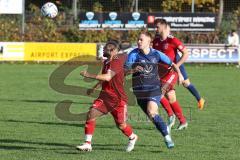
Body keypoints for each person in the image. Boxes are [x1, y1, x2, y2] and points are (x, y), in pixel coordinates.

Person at [125, 30, 184, 148]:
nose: (139, 41)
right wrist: (133, 70)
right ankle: (165, 129)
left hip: (153, 88)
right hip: (139, 91)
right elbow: (124, 71)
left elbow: (172, 64)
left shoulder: (156, 54)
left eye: (141, 40)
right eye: (138, 39)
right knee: (153, 117)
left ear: (149, 41)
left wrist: (180, 74)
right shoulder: (133, 54)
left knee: (152, 112)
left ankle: (167, 138)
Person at [76, 41, 138, 152]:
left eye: (106, 49)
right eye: (104, 48)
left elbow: (108, 77)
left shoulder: (116, 61)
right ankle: (87, 144)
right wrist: (95, 87)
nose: (104, 50)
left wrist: (88, 75)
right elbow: (108, 76)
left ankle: (133, 137)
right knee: (91, 113)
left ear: (114, 51)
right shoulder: (106, 62)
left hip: (118, 99)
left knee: (121, 125)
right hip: (105, 97)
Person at [153, 19, 205, 116]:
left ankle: (199, 99)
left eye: (157, 27)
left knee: (186, 83)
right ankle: (175, 111)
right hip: (165, 68)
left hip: (176, 64)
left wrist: (177, 65)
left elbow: (185, 53)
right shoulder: (156, 40)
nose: (156, 29)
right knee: (176, 87)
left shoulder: (172, 40)